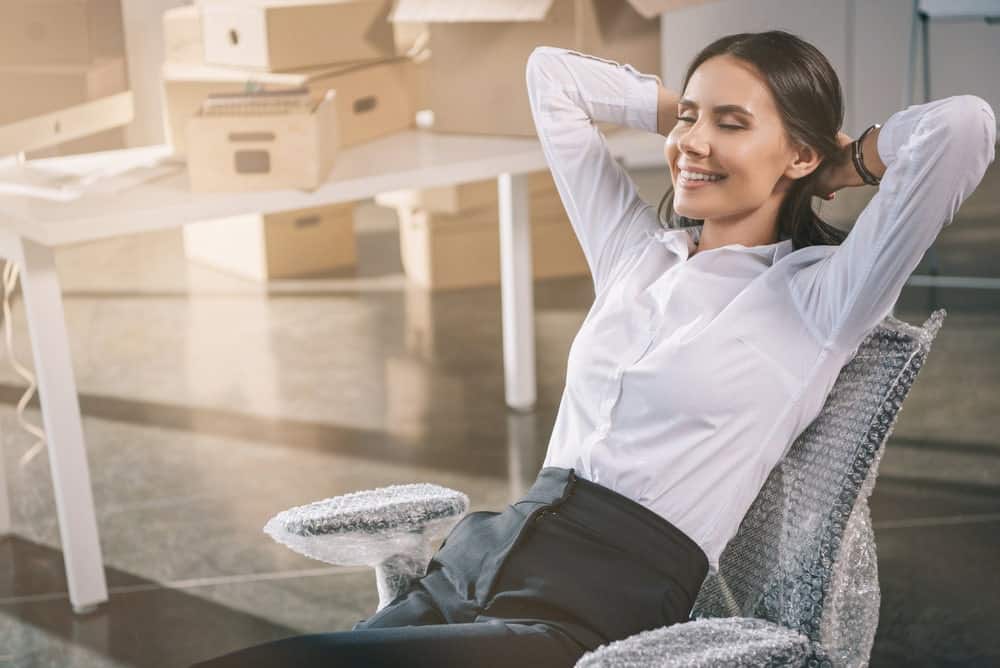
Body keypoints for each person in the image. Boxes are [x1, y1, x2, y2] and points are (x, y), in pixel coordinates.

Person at [193, 30, 995, 668]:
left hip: (581, 618)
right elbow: (554, 79)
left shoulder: (821, 298)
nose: (692, 143)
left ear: (799, 155)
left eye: (733, 124)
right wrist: (701, 117)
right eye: (689, 118)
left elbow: (963, 128)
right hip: (474, 563)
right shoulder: (635, 254)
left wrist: (843, 163)